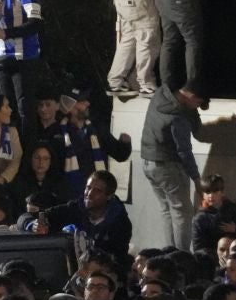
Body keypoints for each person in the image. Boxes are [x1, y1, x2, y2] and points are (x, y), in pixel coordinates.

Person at [141, 86, 203, 252]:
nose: (198, 106)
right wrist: (197, 178)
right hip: (169, 166)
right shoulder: (178, 117)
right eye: (198, 102)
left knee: (167, 210)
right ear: (190, 95)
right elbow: (184, 150)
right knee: (182, 212)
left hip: (148, 161)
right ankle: (182, 256)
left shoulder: (161, 94)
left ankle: (169, 253)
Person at [29, 170, 133, 262]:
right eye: (88, 188)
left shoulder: (120, 224)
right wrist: (33, 224)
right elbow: (36, 216)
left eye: (97, 191)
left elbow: (118, 262)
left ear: (109, 196)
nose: (89, 194)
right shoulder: (76, 208)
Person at [55, 86, 131, 197]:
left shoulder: (97, 129)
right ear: (70, 105)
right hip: (70, 196)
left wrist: (125, 144)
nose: (87, 104)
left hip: (97, 196)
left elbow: (119, 154)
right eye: (82, 101)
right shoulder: (59, 134)